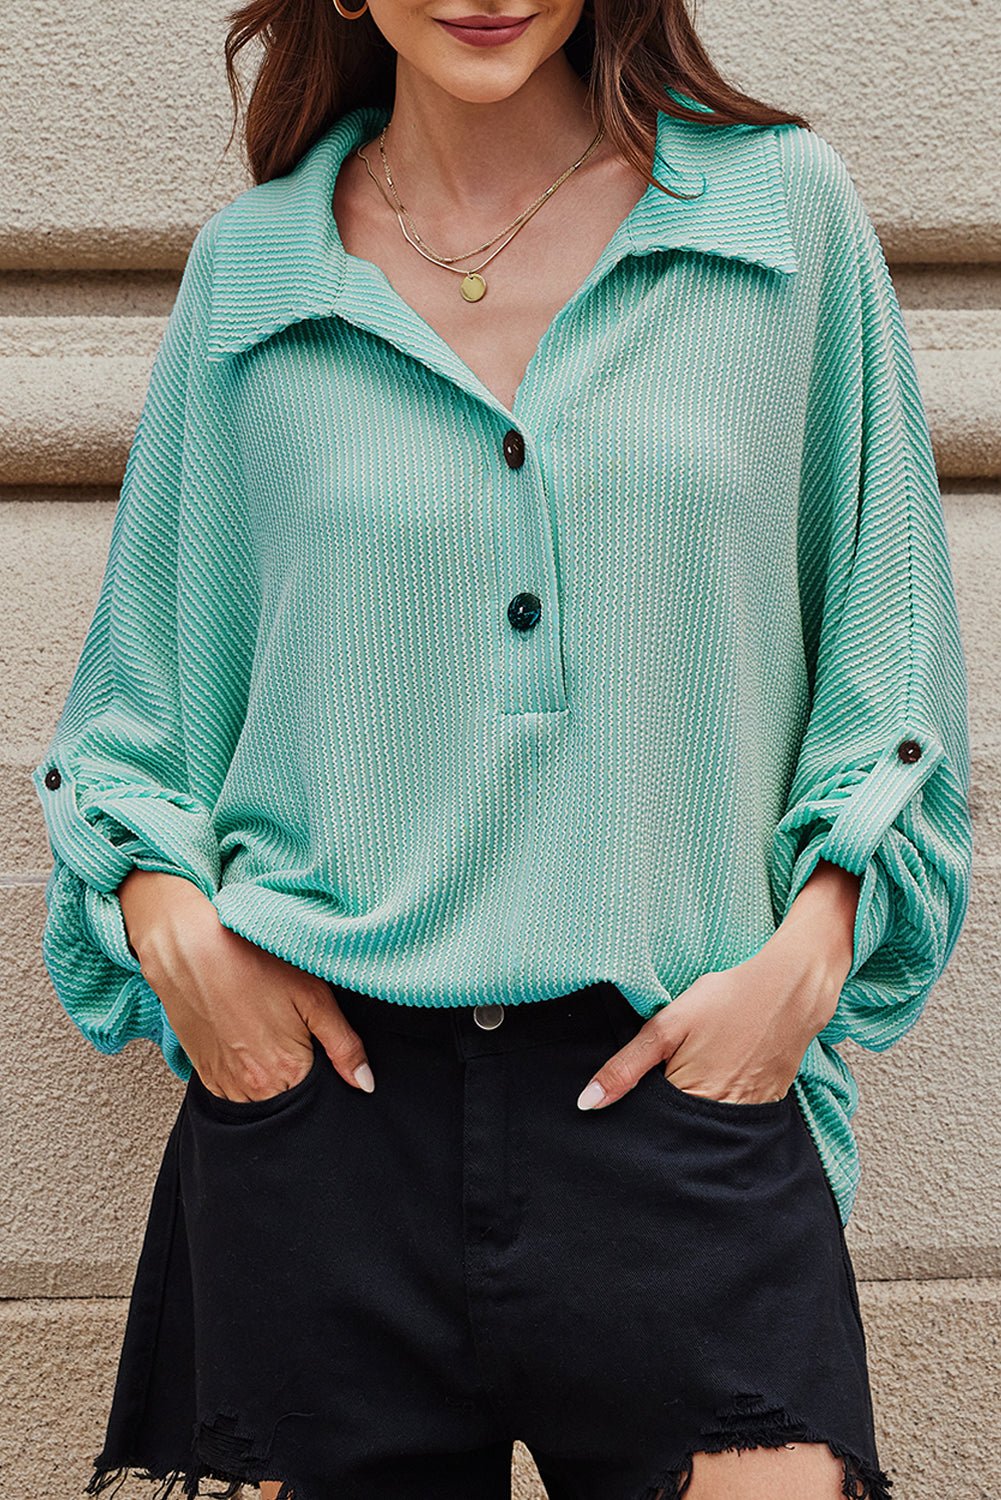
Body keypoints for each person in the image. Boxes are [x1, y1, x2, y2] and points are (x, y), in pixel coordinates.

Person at [32, 1, 973, 1497]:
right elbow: (135, 716)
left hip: (676, 1092)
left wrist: (806, 962)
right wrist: (182, 944)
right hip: (324, 1126)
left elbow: (891, 655)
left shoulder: (775, 211)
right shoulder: (256, 271)